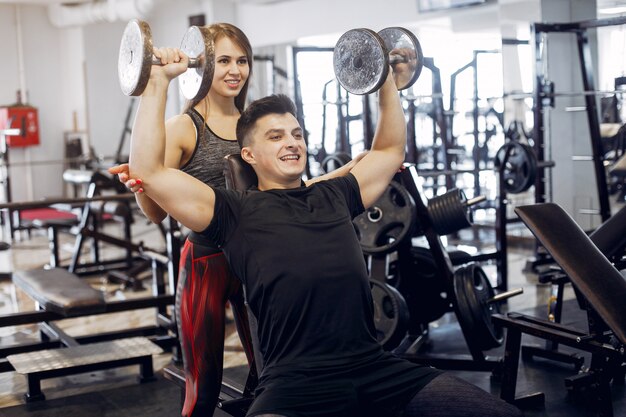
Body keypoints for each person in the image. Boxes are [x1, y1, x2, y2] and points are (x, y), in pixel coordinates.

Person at [125, 41, 522, 417]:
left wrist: (386, 81)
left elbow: (387, 151)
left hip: (376, 368)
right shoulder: (232, 213)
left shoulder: (336, 194)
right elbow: (150, 171)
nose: (291, 143)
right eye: (276, 137)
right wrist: (157, 83)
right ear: (249, 155)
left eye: (297, 134)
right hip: (294, 383)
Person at [109, 23, 364, 417]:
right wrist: (142, 184)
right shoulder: (183, 127)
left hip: (260, 263)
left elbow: (294, 190)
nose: (234, 70)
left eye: (241, 60)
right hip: (207, 263)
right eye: (223, 60)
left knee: (271, 374)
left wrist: (351, 169)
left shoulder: (258, 127)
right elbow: (156, 213)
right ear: (202, 64)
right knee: (204, 386)